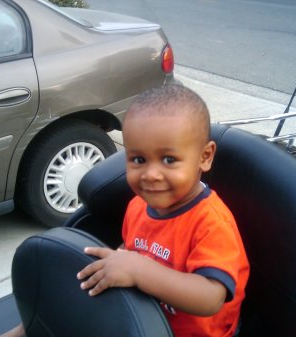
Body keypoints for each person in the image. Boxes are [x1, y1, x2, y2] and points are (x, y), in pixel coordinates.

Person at [77, 84, 249, 337]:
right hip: (142, 317)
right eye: (138, 159)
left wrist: (138, 271)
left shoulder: (211, 222)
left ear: (205, 156)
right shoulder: (138, 206)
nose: (150, 175)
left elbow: (211, 297)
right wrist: (118, 262)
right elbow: (132, 248)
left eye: (169, 160)